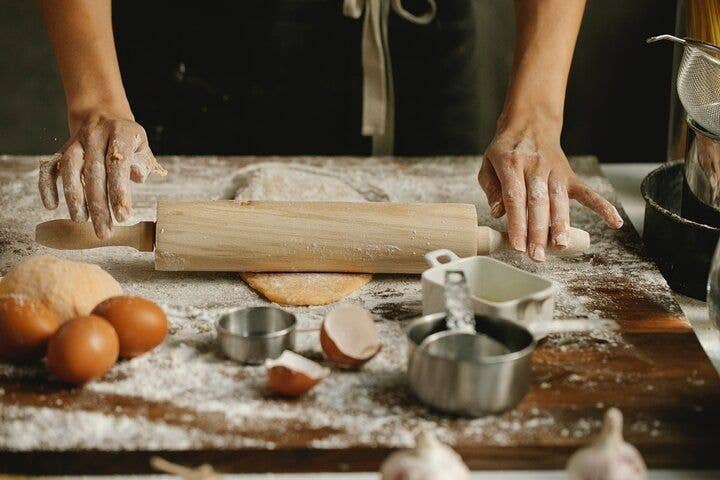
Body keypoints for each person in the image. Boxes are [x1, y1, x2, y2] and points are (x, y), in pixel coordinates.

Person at [37, 0, 622, 261]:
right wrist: (96, 101)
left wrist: (536, 114)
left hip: (416, 41)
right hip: (205, 44)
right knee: (192, 224)